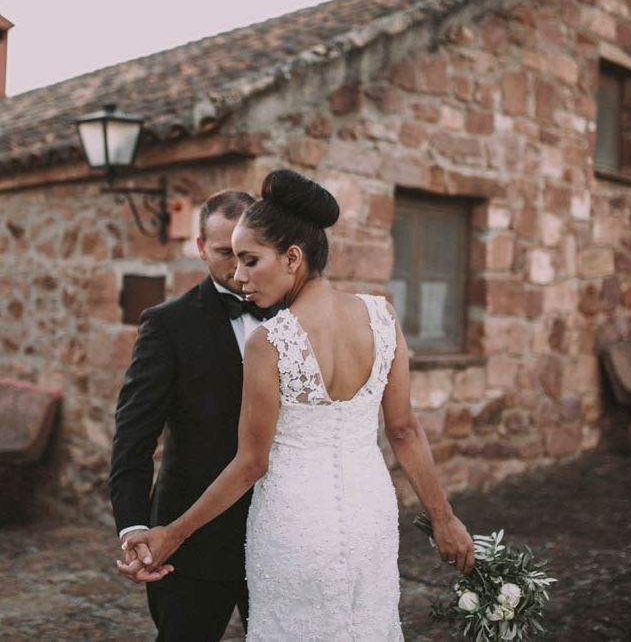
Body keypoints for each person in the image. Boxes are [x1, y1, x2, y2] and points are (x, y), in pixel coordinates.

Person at [127, 169, 475, 640]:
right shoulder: (382, 315)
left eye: (250, 260)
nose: (240, 275)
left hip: (292, 528)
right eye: (235, 259)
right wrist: (444, 519)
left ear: (292, 257)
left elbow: (251, 464)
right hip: (369, 518)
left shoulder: (270, 341)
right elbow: (405, 432)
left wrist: (172, 533)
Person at [109, 190, 275, 641]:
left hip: (282, 532)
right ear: (200, 247)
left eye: (248, 254)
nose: (237, 266)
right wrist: (134, 527)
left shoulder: (296, 315)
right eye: (224, 252)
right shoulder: (167, 324)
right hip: (191, 539)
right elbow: (134, 435)